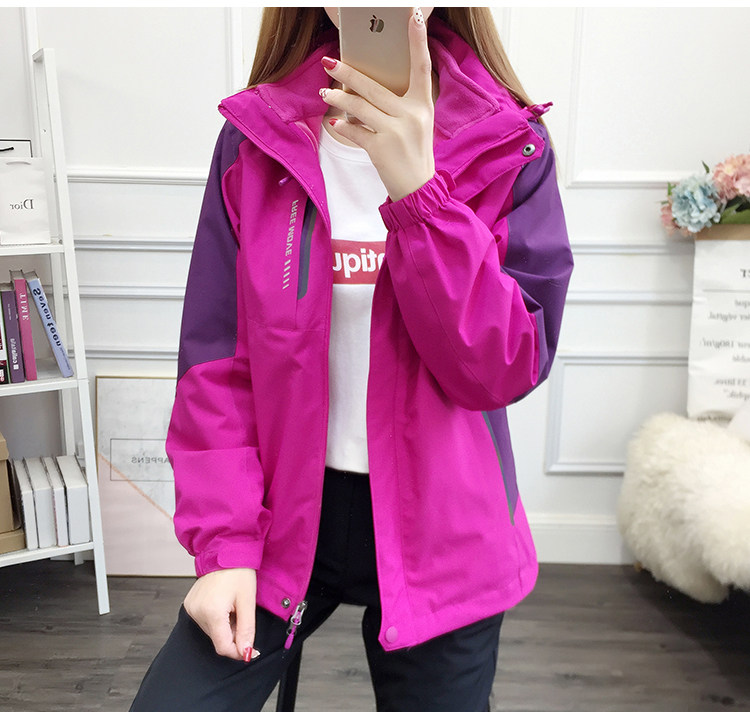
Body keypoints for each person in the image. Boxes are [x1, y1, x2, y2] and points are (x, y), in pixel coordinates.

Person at [130, 7, 573, 712]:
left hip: (446, 535)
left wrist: (419, 194)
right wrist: (225, 547)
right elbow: (217, 366)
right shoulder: (256, 141)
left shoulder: (509, 143)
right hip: (278, 523)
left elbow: (504, 365)